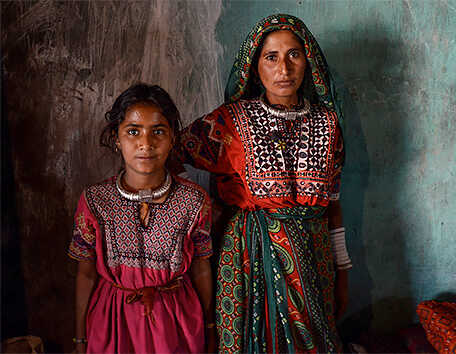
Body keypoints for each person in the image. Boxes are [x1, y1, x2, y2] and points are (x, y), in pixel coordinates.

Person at [177, 14, 353, 353]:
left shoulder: (328, 124)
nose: (283, 69)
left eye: (294, 55)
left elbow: (333, 203)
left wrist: (342, 271)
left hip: (314, 260)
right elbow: (171, 151)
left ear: (308, 62)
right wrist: (201, 205)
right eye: (271, 57)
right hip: (247, 255)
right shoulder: (230, 121)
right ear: (254, 66)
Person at [68, 84, 217, 353]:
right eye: (133, 131)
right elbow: (86, 276)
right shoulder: (94, 200)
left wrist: (209, 330)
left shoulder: (194, 201)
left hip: (177, 324)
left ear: (173, 138)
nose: (146, 144)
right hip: (113, 324)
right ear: (116, 137)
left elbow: (201, 269)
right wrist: (81, 339)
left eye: (158, 131)